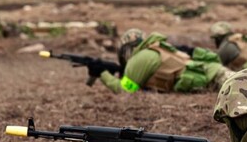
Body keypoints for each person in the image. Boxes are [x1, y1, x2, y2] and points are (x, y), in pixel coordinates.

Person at [96, 29, 235, 94]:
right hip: (212, 73)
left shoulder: (140, 58)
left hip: (214, 76)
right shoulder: (154, 49)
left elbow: (126, 90)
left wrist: (102, 73)